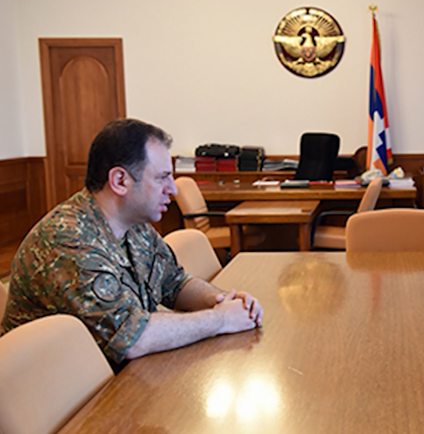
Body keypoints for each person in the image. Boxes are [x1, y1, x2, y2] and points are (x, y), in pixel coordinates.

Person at [1, 118, 263, 369]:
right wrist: (220, 320)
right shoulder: (69, 239)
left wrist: (222, 301)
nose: (172, 189)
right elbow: (133, 339)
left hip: (112, 377)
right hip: (62, 400)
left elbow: (174, 282)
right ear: (119, 181)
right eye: (161, 178)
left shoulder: (134, 224)